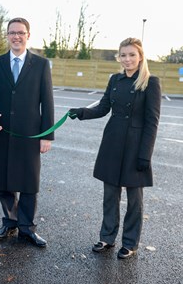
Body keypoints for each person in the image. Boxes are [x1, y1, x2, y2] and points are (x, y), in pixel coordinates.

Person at [69, 37, 161, 259]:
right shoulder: (115, 80)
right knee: (110, 194)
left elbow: (152, 122)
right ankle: (107, 237)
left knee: (134, 200)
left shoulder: (150, 82)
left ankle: (130, 243)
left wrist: (145, 155)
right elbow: (102, 108)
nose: (127, 59)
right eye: (123, 55)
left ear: (140, 57)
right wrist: (82, 112)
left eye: (131, 55)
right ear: (119, 57)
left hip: (136, 147)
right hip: (112, 142)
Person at [0, 18, 54, 248]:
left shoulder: (41, 64)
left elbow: (47, 102)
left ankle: (27, 228)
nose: (16, 36)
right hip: (2, 132)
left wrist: (47, 134)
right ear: (7, 35)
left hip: (30, 135)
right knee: (4, 181)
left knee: (29, 182)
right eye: (12, 32)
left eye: (21, 33)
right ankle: (9, 222)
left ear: (28, 35)